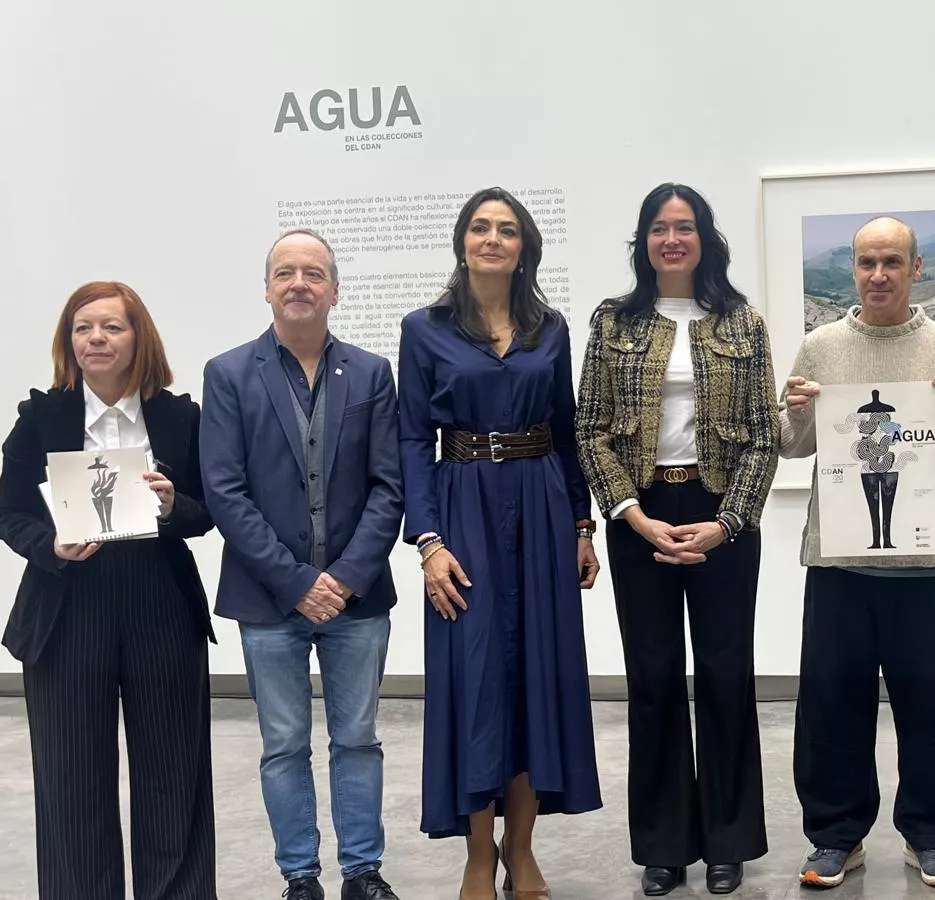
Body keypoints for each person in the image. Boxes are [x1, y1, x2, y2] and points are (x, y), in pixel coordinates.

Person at [780, 215, 935, 890]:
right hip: (839, 564)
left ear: (915, 270)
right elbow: (793, 446)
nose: (878, 274)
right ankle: (835, 838)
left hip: (926, 562)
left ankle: (930, 836)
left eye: (891, 262)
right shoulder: (819, 346)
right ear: (853, 269)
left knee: (933, 704)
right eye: (866, 262)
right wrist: (792, 410)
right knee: (831, 706)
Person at [398, 187, 602, 900]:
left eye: (507, 229)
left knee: (534, 678)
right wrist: (427, 542)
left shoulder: (551, 328)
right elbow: (410, 438)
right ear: (461, 241)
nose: (492, 238)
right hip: (464, 506)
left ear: (525, 247)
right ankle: (478, 855)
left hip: (542, 503)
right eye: (480, 227)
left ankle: (523, 849)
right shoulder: (423, 329)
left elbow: (570, 428)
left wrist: (582, 524)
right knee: (477, 679)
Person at [575, 183, 778, 896]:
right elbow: (590, 427)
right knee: (654, 681)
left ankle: (729, 840)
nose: (671, 239)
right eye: (659, 228)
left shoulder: (742, 322)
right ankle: (664, 846)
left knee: (726, 677)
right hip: (642, 514)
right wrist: (629, 512)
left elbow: (763, 434)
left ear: (704, 239)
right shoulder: (614, 322)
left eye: (684, 227)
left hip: (721, 513)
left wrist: (726, 524)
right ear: (644, 241)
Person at [200, 230, 404, 900]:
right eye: (284, 272)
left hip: (357, 600)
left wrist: (342, 579)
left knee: (358, 740)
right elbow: (224, 492)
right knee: (284, 745)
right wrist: (296, 582)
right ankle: (299, 877)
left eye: (313, 273)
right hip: (268, 603)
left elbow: (389, 487)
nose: (299, 283)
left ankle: (362, 872)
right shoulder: (228, 374)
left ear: (334, 290)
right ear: (266, 288)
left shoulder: (372, 373)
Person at [0, 281, 216, 900]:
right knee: (72, 781)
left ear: (138, 337)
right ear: (69, 341)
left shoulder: (179, 417)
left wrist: (175, 506)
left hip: (160, 604)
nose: (95, 338)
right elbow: (10, 511)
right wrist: (49, 546)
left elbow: (209, 511)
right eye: (82, 327)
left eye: (111, 327)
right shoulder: (42, 417)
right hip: (67, 605)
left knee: (174, 775)